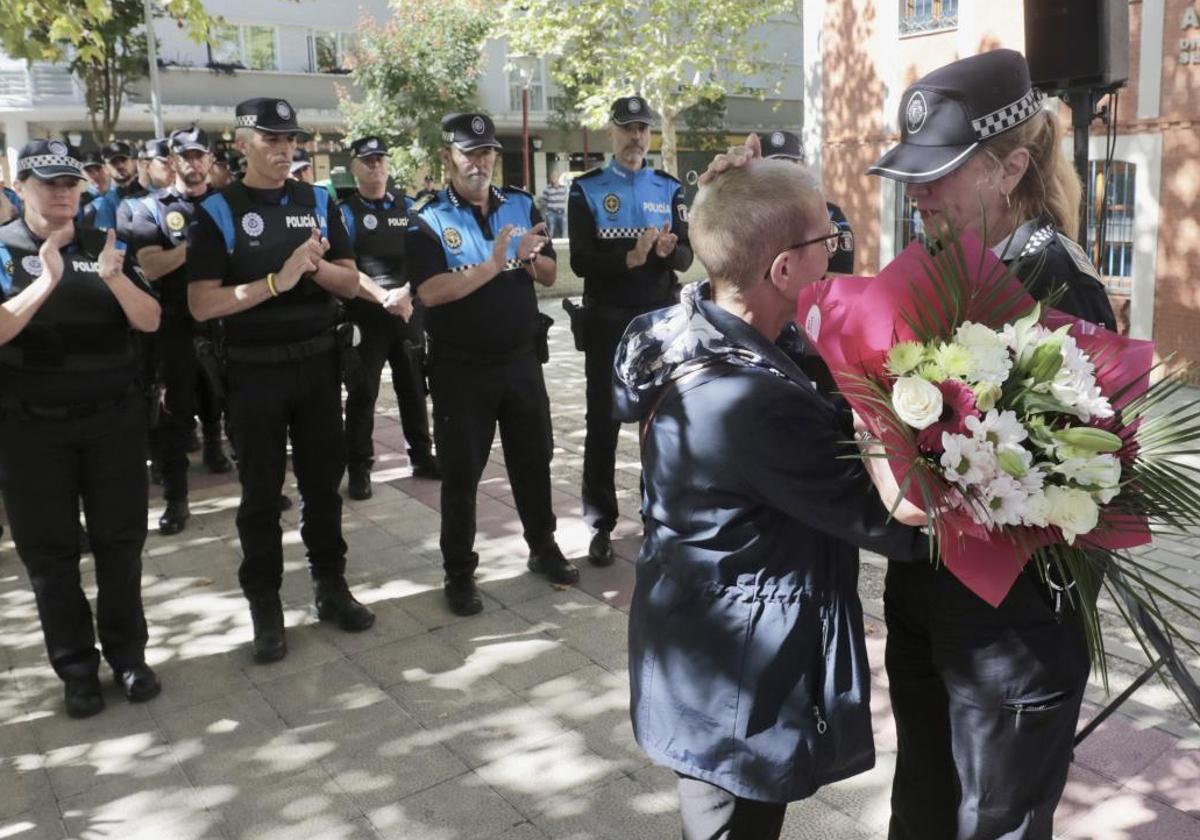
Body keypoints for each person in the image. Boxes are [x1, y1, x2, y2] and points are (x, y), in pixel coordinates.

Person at [613, 158, 926, 840]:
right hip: (736, 676)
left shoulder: (678, 329)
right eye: (827, 240)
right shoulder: (755, 405)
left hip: (702, 642)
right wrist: (881, 391)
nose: (838, 249)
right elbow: (895, 522)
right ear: (784, 270)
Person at [864, 49, 1117, 840]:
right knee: (924, 814)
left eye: (939, 172)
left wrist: (876, 435)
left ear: (1010, 170)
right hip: (932, 604)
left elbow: (1075, 481)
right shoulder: (942, 260)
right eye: (912, 172)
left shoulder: (1057, 282)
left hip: (1011, 631)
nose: (918, 191)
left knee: (992, 825)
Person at [187, 97, 375, 663]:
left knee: (323, 486)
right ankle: (265, 605)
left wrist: (316, 268)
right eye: (269, 139)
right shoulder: (219, 210)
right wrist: (278, 279)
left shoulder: (319, 200)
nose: (283, 149)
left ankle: (330, 587)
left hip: (318, 365)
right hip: (252, 372)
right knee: (261, 496)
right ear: (242, 144)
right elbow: (201, 304)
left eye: (290, 139)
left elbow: (350, 281)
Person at [0, 139, 162, 718]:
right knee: (51, 555)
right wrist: (46, 280)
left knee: (121, 544)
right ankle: (76, 668)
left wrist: (117, 279)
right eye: (49, 183)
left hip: (112, 423)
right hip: (30, 430)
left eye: (71, 182)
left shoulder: (108, 244)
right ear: (21, 188)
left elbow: (150, 320)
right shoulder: (4, 247)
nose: (64, 192)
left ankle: (128, 656)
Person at [407, 112, 576, 617]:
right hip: (461, 371)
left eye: (486, 154)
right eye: (468, 154)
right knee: (462, 475)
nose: (479, 163)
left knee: (533, 461)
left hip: (520, 361)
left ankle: (542, 547)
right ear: (448, 157)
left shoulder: (520, 204)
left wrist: (529, 260)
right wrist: (496, 262)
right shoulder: (427, 218)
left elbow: (547, 274)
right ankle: (459, 571)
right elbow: (432, 293)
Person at [567, 95, 692, 567]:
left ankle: (656, 519)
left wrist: (664, 252)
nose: (636, 137)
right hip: (607, 323)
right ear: (612, 133)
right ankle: (600, 525)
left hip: (658, 325)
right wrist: (629, 259)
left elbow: (686, 258)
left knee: (658, 425)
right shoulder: (587, 189)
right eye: (627, 128)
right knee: (601, 424)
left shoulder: (670, 188)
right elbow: (579, 260)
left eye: (643, 128)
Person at [129, 125, 233, 536]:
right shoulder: (150, 209)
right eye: (184, 156)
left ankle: (241, 469)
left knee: (238, 404)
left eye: (199, 155)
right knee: (172, 415)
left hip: (225, 317)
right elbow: (151, 265)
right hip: (174, 323)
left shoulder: (230, 204)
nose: (192, 163)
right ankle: (176, 498)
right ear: (171, 161)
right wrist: (197, 243)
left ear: (210, 160)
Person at [339, 135, 439, 500]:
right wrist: (385, 297)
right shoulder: (346, 212)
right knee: (362, 395)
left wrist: (407, 293)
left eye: (381, 159)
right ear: (354, 167)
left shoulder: (409, 206)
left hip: (408, 311)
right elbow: (344, 267)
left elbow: (428, 257)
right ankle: (360, 469)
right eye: (367, 161)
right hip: (367, 316)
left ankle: (422, 457)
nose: (376, 166)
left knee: (414, 389)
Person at [762, 129, 857, 275]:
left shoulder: (830, 216)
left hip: (813, 298)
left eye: (790, 165)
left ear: (803, 167)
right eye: (773, 168)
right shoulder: (745, 219)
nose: (782, 175)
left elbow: (840, 280)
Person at [115, 138, 174, 240]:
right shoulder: (131, 204)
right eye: (166, 162)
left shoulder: (193, 196)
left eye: (176, 161)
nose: (173, 167)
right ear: (145, 165)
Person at [78, 151, 118, 231]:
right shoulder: (81, 202)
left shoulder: (122, 193)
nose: (95, 175)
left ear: (107, 168)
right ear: (82, 174)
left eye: (98, 169)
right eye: (89, 171)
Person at [538, 170, 567, 238]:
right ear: (551, 179)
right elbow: (543, 201)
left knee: (563, 231)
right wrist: (544, 213)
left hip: (562, 213)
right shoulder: (547, 189)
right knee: (551, 230)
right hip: (551, 213)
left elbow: (566, 199)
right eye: (553, 177)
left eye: (556, 177)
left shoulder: (564, 188)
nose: (555, 179)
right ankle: (550, 245)